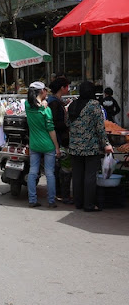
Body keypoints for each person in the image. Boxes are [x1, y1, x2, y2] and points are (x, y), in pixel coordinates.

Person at [67, 81, 113, 212]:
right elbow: (100, 128)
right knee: (90, 176)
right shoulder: (94, 105)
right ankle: (89, 205)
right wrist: (106, 144)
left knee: (77, 175)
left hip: (74, 146)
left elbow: (67, 123)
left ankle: (78, 203)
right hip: (91, 147)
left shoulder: (73, 104)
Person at [25, 81, 60, 208]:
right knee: (49, 173)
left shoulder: (27, 105)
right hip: (48, 145)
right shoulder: (46, 110)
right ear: (42, 91)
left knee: (33, 172)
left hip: (34, 144)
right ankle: (51, 201)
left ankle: (32, 200)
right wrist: (56, 147)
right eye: (46, 90)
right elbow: (51, 130)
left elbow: (32, 102)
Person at [47, 77, 71, 203]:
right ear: (62, 87)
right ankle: (60, 193)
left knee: (58, 167)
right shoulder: (54, 103)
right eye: (67, 87)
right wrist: (68, 126)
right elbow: (56, 123)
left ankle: (58, 192)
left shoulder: (55, 101)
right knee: (61, 168)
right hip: (58, 139)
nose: (68, 89)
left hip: (58, 138)